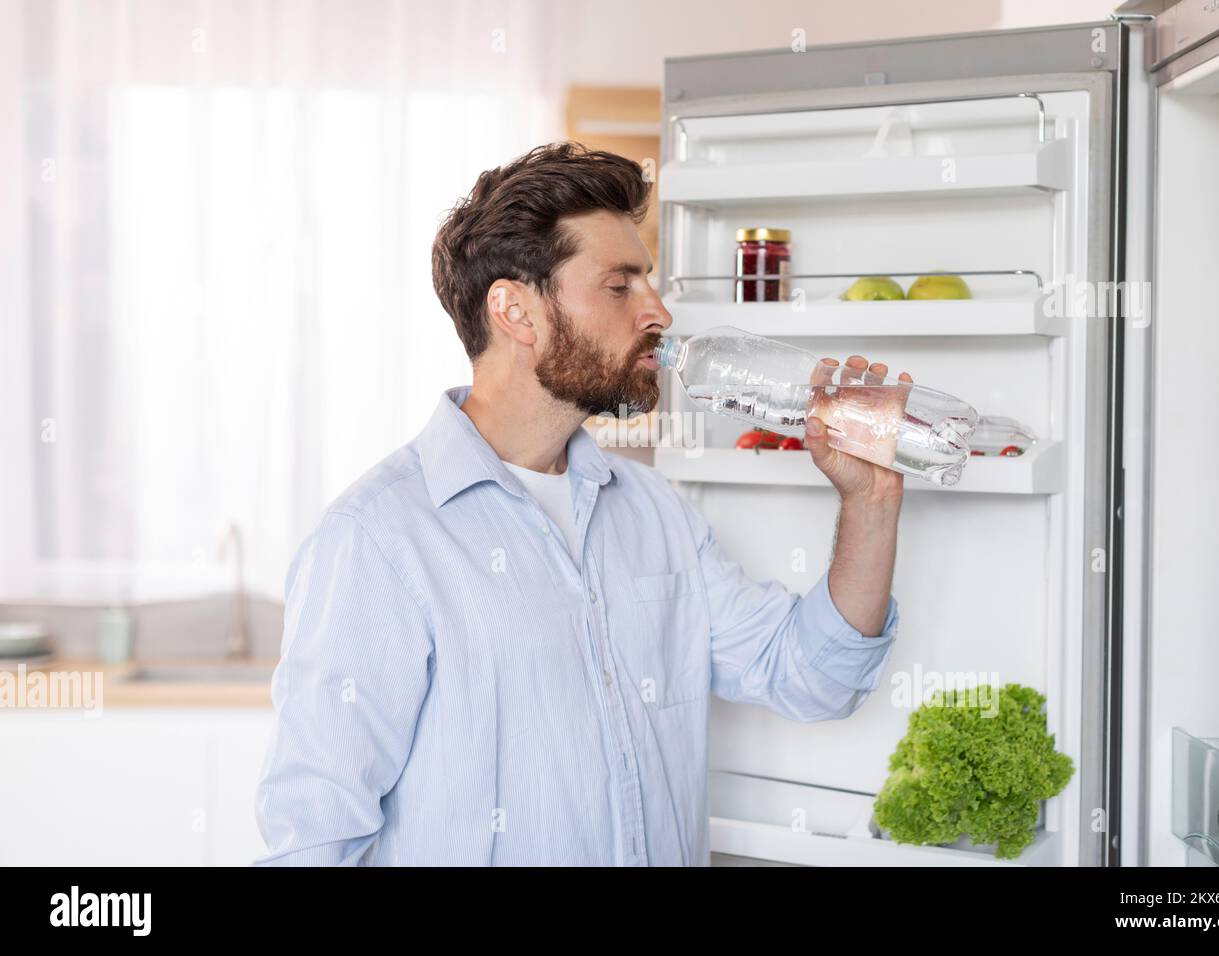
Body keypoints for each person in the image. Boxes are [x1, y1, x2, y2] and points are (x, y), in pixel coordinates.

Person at [253, 142, 905, 866]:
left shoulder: (654, 514)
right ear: (516, 311)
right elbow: (316, 840)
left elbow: (814, 677)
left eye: (646, 282)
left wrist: (870, 499)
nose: (657, 311)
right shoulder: (377, 540)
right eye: (619, 285)